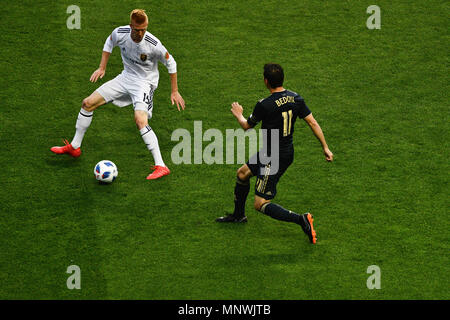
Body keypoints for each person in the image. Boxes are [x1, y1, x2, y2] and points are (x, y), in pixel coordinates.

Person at [50, 9, 185, 180]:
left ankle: (161, 165)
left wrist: (174, 91)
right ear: (131, 27)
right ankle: (75, 147)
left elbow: (171, 63)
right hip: (125, 77)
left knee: (140, 120)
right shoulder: (120, 33)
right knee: (87, 103)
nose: (141, 33)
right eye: (137, 29)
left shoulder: (153, 43)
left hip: (144, 84)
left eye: (144, 29)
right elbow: (109, 42)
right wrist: (102, 67)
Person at [216, 63, 333, 244]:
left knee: (260, 203)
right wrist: (325, 147)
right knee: (242, 173)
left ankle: (301, 219)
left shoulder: (265, 105)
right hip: (281, 151)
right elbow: (313, 123)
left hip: (273, 156)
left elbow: (247, 126)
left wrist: (239, 114)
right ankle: (238, 216)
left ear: (266, 81)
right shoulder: (296, 98)